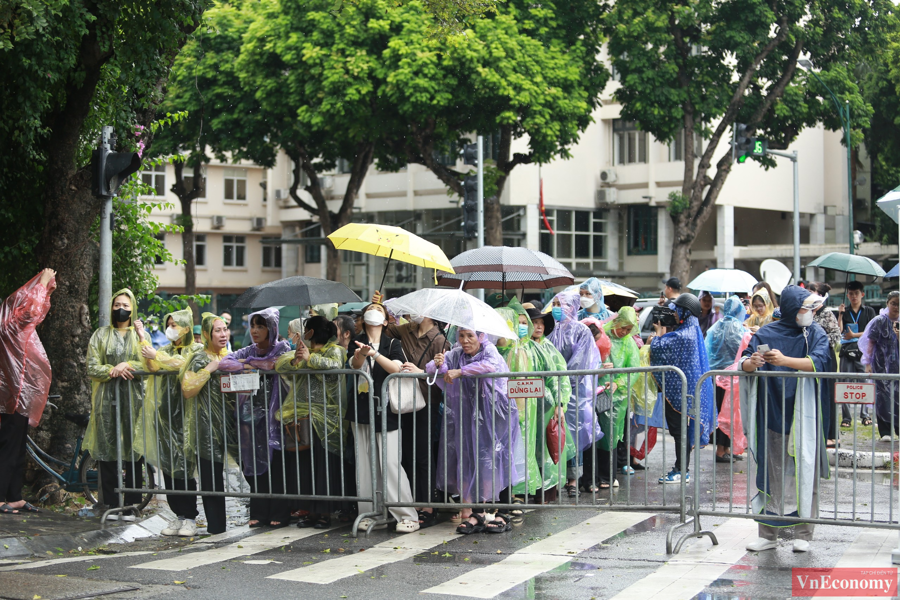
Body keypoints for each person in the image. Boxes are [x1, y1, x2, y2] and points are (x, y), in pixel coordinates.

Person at [740, 287, 830, 553]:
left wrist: (785, 360)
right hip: (772, 410)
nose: (810, 313)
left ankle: (805, 531)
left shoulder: (815, 333)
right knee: (771, 473)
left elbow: (820, 361)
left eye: (812, 308)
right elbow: (744, 362)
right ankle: (768, 534)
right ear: (792, 309)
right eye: (805, 308)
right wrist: (752, 362)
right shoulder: (767, 333)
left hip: (805, 412)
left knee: (806, 469)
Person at [426, 328, 523, 534]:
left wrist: (460, 371)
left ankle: (502, 512)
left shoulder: (489, 350)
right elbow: (431, 370)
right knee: (475, 460)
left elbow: (489, 366)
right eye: (461, 336)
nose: (465, 340)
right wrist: (439, 362)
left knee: (498, 458)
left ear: (481, 336)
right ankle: (478, 512)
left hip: (498, 414)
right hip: (472, 416)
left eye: (470, 336)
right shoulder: (456, 353)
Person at [372, 291, 450, 529]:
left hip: (428, 401)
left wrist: (422, 372)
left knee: (424, 453)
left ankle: (427, 504)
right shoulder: (404, 330)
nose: (409, 312)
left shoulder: (440, 340)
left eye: (415, 308)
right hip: (404, 401)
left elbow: (442, 374)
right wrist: (378, 307)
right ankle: (412, 501)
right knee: (406, 452)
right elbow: (381, 329)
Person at [347, 303, 419, 533]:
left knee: (390, 463)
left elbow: (396, 368)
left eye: (378, 309)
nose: (374, 311)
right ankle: (370, 512)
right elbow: (354, 365)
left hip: (387, 410)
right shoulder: (356, 341)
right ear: (364, 319)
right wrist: (361, 354)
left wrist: (375, 354)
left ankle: (406, 515)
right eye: (370, 309)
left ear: (386, 320)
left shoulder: (393, 343)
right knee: (365, 464)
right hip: (361, 409)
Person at [219, 308, 291, 528]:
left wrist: (252, 365)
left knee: (276, 465)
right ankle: (259, 511)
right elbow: (224, 363)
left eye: (261, 326)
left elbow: (277, 364)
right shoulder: (248, 350)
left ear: (271, 328)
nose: (255, 330)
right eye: (253, 325)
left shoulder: (282, 347)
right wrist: (249, 364)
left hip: (276, 415)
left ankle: (280, 511)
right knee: (254, 462)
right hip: (251, 417)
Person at [276, 316, 349, 528]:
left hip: (326, 420)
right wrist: (296, 360)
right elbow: (281, 365)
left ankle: (324, 512)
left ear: (313, 331)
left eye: (307, 329)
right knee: (306, 466)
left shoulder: (334, 350)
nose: (304, 333)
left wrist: (310, 360)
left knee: (322, 465)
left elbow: (334, 369)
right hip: (303, 418)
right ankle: (310, 511)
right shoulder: (304, 351)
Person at [136, 308, 204, 536]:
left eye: (175, 324)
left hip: (186, 417)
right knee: (168, 469)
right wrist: (142, 339)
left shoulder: (195, 349)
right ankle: (178, 516)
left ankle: (191, 518)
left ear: (186, 327)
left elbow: (181, 364)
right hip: (164, 418)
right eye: (169, 324)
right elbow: (152, 367)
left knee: (185, 469)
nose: (170, 328)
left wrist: (157, 356)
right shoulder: (163, 349)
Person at [84, 288, 150, 517]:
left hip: (134, 402)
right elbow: (92, 366)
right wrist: (113, 369)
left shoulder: (140, 336)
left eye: (125, 306)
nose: (120, 309)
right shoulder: (100, 335)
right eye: (116, 305)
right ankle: (111, 505)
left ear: (133, 309)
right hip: (106, 401)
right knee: (108, 450)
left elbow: (150, 364)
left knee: (134, 452)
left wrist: (128, 364)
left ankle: (132, 505)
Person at [0, 269, 56, 515]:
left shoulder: (17, 326)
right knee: (8, 446)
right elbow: (32, 311)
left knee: (18, 446)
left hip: (20, 397)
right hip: (10, 398)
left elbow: (36, 312)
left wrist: (44, 289)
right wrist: (42, 283)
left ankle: (13, 496)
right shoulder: (10, 323)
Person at [649, 293, 715, 484]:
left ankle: (681, 470)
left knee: (680, 432)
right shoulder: (689, 330)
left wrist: (659, 331)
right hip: (684, 392)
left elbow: (658, 347)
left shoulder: (684, 335)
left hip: (680, 394)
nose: (675, 314)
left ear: (686, 312)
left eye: (677, 311)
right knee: (681, 432)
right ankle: (680, 468)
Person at [179, 313, 234, 534]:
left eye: (225, 329)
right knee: (211, 477)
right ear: (206, 334)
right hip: (206, 427)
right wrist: (209, 369)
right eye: (218, 330)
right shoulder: (199, 358)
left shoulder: (229, 355)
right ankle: (216, 525)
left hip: (230, 425)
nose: (223, 334)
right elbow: (187, 388)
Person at [547, 291, 603, 497]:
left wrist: (563, 382)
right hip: (555, 391)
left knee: (574, 434)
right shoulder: (551, 330)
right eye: (553, 304)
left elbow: (580, 362)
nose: (556, 308)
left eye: (560, 304)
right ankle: (557, 478)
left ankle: (573, 479)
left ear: (572, 307)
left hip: (575, 393)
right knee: (557, 434)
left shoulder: (581, 331)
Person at [523, 304, 574, 502]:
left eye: (541, 323)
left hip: (546, 408)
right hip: (528, 408)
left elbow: (560, 378)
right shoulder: (523, 346)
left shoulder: (548, 347)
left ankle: (545, 492)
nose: (538, 327)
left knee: (546, 447)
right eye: (534, 323)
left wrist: (560, 404)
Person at [594, 308, 641, 489]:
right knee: (594, 434)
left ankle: (607, 476)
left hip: (617, 397)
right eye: (623, 328)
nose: (625, 332)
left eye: (629, 330)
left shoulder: (629, 344)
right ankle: (593, 477)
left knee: (611, 435)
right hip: (597, 391)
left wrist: (618, 383)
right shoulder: (602, 334)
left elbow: (634, 370)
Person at [705, 297, 750, 462]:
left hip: (715, 375)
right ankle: (721, 451)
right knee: (728, 414)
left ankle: (725, 449)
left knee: (721, 413)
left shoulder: (716, 326)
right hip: (729, 377)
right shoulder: (738, 328)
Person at [859, 291, 900, 441]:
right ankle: (885, 431)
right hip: (881, 364)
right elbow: (871, 342)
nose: (896, 307)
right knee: (882, 397)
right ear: (887, 303)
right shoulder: (879, 321)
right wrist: (868, 363)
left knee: (898, 397)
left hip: (898, 366)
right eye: (893, 303)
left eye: (899, 304)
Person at [837, 280, 876, 428]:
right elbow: (839, 331)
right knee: (845, 383)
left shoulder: (869, 311)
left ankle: (865, 415)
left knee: (864, 382)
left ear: (862, 294)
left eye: (856, 294)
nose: (854, 297)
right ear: (847, 295)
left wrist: (855, 334)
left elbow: (871, 331)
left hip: (863, 351)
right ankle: (846, 418)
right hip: (847, 351)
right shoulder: (844, 310)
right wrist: (840, 315)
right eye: (851, 294)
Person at [806, 283, 841, 446]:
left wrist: (819, 343)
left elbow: (835, 335)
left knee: (828, 395)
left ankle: (831, 434)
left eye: (811, 292)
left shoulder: (826, 313)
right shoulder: (806, 312)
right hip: (810, 359)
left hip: (826, 358)